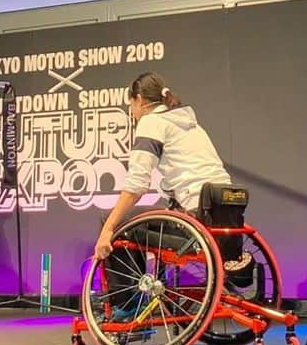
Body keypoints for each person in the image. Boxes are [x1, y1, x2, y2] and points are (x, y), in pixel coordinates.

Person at [93, 72, 230, 262]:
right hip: (222, 217)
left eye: (131, 106)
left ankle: (122, 293)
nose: (132, 112)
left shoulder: (151, 122)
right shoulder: (191, 125)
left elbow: (136, 186)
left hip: (195, 222)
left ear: (139, 100)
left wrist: (108, 229)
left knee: (114, 222)